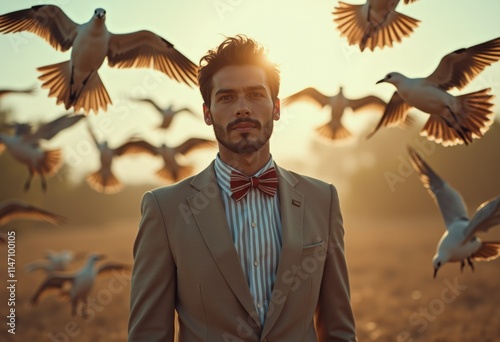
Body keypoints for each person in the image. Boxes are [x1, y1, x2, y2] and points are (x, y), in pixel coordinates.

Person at [128, 35, 357, 342]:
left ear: (276, 108)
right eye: (226, 98)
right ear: (207, 113)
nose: (242, 109)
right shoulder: (165, 209)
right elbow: (148, 335)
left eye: (255, 95)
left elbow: (338, 329)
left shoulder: (323, 200)